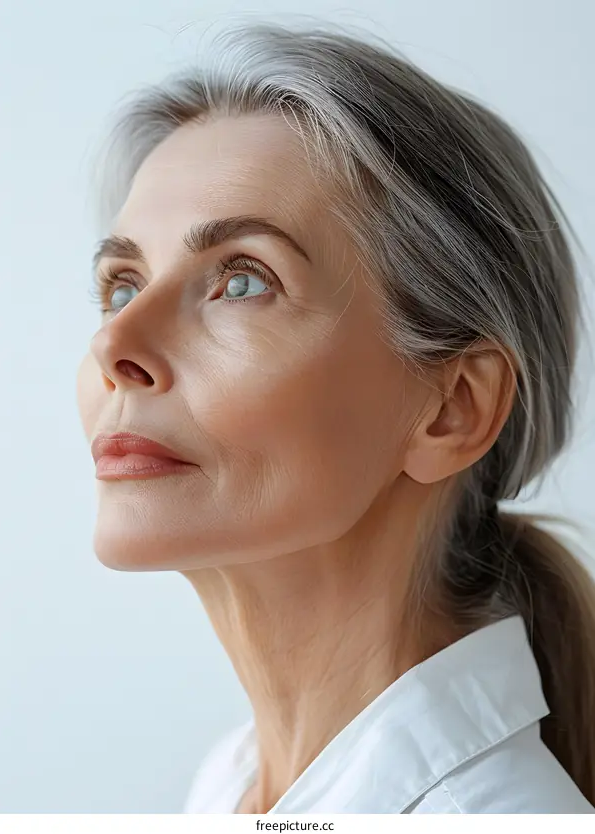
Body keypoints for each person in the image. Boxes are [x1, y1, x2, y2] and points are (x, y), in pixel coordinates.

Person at [76, 21, 595, 814]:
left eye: (241, 282)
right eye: (120, 284)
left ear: (452, 408)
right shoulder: (230, 784)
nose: (115, 342)